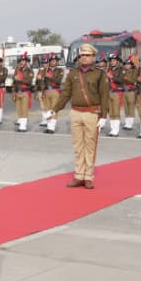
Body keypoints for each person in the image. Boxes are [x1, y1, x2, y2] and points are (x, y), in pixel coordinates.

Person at [47, 43, 109, 189]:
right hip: (75, 112)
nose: (84, 58)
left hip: (92, 113)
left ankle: (88, 176)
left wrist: (103, 116)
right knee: (78, 146)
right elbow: (65, 94)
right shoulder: (73, 74)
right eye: (82, 55)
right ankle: (79, 175)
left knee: (90, 146)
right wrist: (54, 110)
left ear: (93, 57)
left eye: (87, 55)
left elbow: (104, 96)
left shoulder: (100, 74)